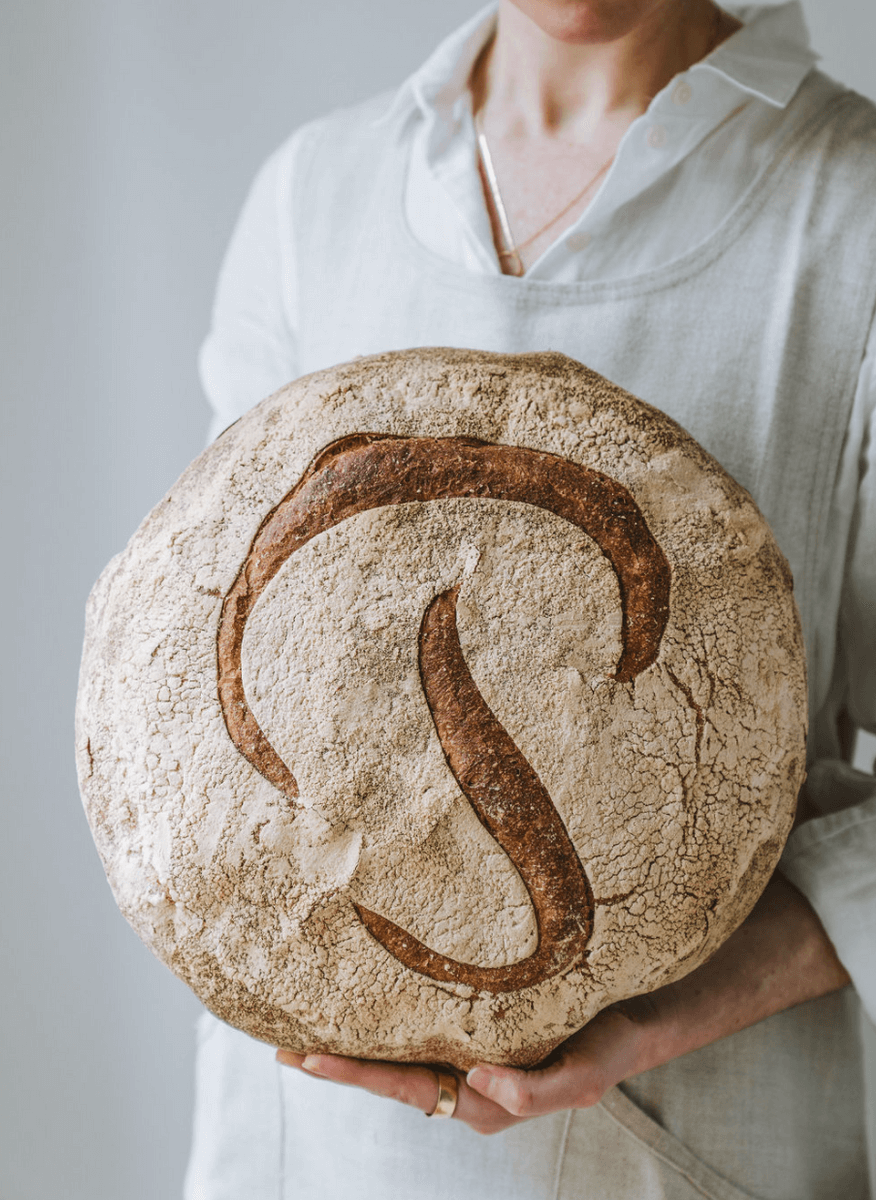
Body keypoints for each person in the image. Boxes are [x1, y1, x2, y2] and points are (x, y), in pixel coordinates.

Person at [184, 1, 876, 1196]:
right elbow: (207, 685)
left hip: (682, 1146)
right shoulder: (319, 194)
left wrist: (659, 1015)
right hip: (316, 1153)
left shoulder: (848, 211)